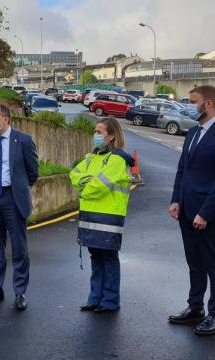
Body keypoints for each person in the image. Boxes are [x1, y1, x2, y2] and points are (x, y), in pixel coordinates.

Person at [167, 85, 215, 335]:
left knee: (212, 265)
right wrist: (175, 199)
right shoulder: (192, 133)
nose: (188, 105)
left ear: (208, 104)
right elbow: (182, 170)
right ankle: (195, 307)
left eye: (192, 101)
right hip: (186, 210)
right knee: (194, 263)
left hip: (207, 214)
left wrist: (205, 213)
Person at [0, 103, 39, 310]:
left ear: (6, 119)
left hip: (14, 199)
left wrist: (18, 189)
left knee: (19, 248)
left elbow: (33, 173)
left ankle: (20, 292)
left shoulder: (23, 140)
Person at [69, 118, 135, 313]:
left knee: (108, 257)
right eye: (95, 131)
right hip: (90, 215)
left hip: (108, 217)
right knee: (95, 256)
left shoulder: (117, 159)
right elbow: (74, 174)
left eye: (100, 131)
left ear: (111, 135)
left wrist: (84, 187)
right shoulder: (91, 157)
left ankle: (110, 301)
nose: (95, 135)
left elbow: (99, 186)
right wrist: (87, 180)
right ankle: (95, 298)